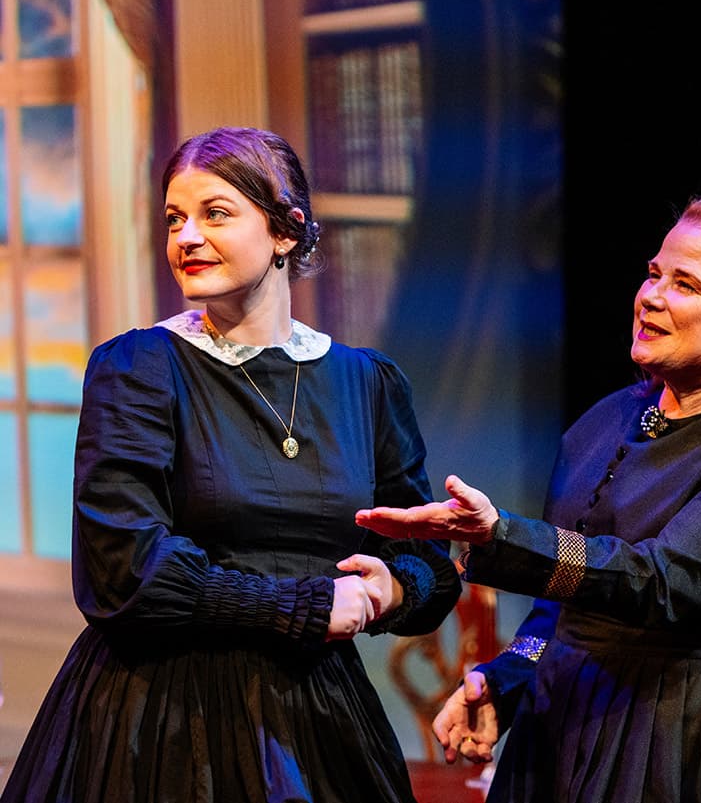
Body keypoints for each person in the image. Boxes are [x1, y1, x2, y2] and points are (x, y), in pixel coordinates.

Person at [349, 193, 701, 802]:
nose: (651, 296)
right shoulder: (606, 422)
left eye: (686, 284)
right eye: (654, 273)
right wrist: (508, 678)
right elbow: (565, 604)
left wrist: (501, 537)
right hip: (575, 723)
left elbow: (659, 583)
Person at [0, 126, 462, 803]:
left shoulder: (367, 382)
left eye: (214, 213)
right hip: (161, 717)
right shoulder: (140, 367)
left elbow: (428, 558)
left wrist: (389, 590)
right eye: (173, 219)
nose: (185, 236)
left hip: (318, 715)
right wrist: (305, 605)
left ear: (285, 231)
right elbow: (125, 572)